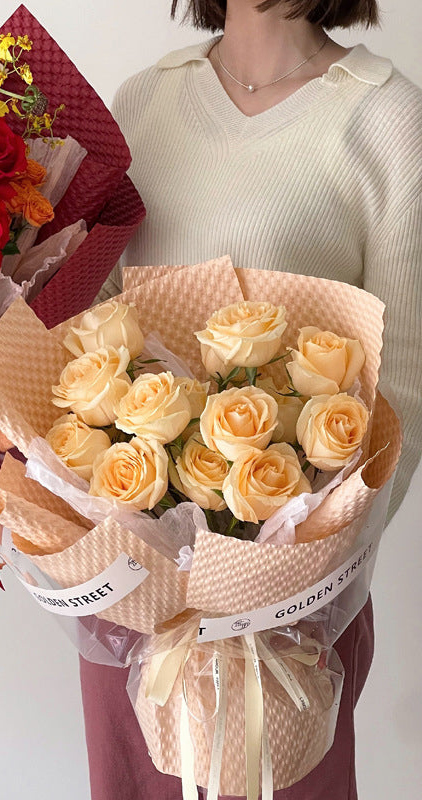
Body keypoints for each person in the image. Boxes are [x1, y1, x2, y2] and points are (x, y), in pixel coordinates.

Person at [84, 0, 422, 797]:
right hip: (136, 588)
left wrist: (301, 574)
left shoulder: (388, 119)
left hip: (291, 610)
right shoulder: (144, 101)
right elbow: (91, 323)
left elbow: (404, 381)